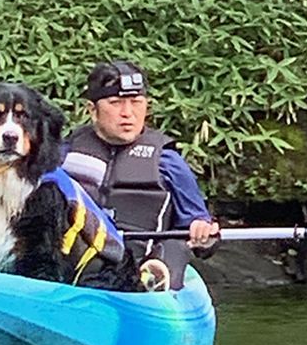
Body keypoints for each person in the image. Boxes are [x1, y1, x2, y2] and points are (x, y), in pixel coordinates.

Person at [62, 59, 220, 290]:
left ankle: (151, 282)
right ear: (92, 110)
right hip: (81, 260)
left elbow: (200, 228)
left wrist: (203, 232)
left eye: (136, 102)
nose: (128, 113)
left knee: (176, 244)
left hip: (143, 259)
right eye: (115, 103)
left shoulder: (168, 162)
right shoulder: (62, 155)